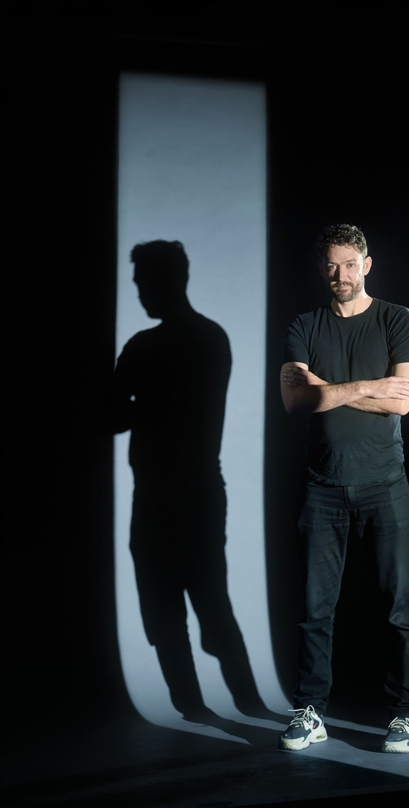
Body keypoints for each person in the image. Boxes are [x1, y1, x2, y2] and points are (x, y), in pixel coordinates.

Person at [279, 224, 409, 753]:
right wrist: (366, 386)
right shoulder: (305, 325)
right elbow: (296, 400)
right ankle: (310, 711)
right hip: (322, 487)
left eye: (349, 263)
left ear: (367, 264)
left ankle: (405, 715)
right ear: (322, 270)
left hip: (385, 484)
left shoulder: (396, 319)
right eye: (331, 265)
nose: (340, 274)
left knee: (398, 607)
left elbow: (402, 401)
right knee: (316, 608)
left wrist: (328, 390)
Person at [107, 239, 265, 721]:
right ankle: (248, 703)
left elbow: (111, 415)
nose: (138, 293)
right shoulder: (212, 338)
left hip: (159, 495)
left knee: (165, 608)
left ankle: (198, 708)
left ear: (163, 281)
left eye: (141, 283)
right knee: (209, 601)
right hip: (198, 490)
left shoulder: (144, 347)